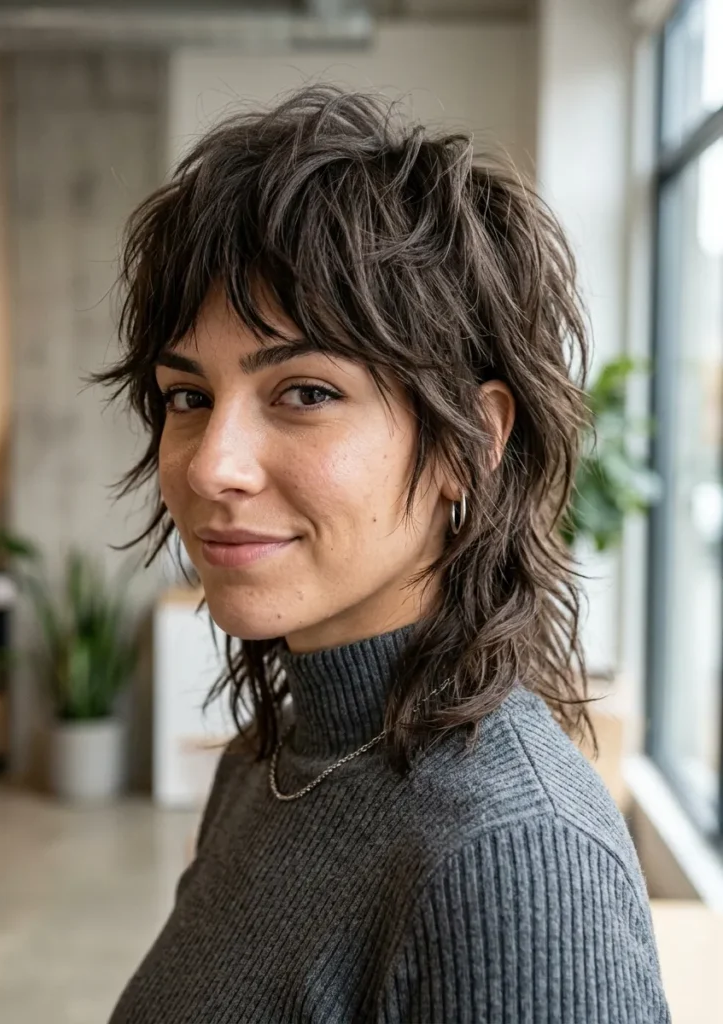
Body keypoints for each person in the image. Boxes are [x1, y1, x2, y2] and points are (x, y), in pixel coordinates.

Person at [102, 86, 669, 1023]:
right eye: (187, 396)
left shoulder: (513, 857)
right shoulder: (273, 758)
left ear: (468, 443)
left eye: (306, 392)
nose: (212, 466)